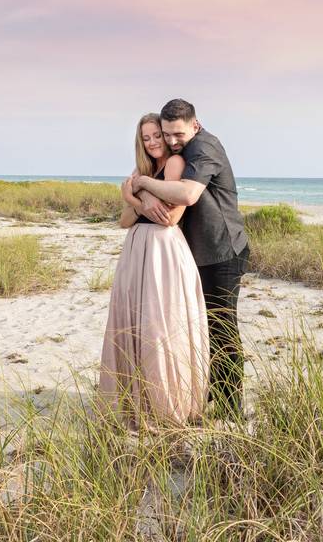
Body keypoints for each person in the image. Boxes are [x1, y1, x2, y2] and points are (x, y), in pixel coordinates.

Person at [132, 99, 250, 420]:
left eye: (177, 134)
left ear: (195, 125)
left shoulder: (205, 147)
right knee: (201, 328)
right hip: (197, 253)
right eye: (166, 134)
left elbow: (186, 194)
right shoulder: (178, 153)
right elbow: (150, 188)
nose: (171, 141)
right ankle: (207, 391)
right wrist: (142, 191)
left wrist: (141, 184)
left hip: (223, 252)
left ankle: (231, 407)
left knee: (222, 328)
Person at [98, 113, 209, 429]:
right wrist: (135, 199)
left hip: (162, 250)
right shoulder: (141, 170)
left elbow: (170, 217)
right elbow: (124, 221)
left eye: (156, 136)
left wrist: (135, 193)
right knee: (133, 323)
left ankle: (165, 405)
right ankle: (137, 402)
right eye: (145, 138)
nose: (152, 142)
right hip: (136, 250)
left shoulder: (174, 164)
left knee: (159, 325)